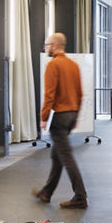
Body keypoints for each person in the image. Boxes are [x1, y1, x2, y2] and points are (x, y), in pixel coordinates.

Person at [32, 32, 88, 209]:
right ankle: (46, 192)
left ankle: (80, 196)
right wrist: (76, 116)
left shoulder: (53, 64)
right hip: (71, 114)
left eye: (47, 45)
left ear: (55, 46)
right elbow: (80, 93)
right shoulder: (73, 65)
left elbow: (49, 94)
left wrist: (43, 117)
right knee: (57, 155)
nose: (45, 48)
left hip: (59, 116)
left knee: (65, 156)